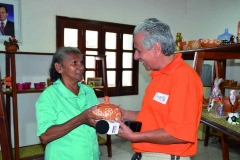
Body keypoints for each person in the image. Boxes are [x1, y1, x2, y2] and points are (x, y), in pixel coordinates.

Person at [116, 18, 203, 160]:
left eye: (139, 51)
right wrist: (124, 113)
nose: (136, 56)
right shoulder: (160, 75)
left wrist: (134, 136)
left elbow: (179, 133)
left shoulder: (183, 78)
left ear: (156, 49)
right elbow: (154, 117)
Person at [35, 47, 104, 160]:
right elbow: (45, 136)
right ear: (59, 67)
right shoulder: (49, 96)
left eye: (81, 63)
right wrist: (81, 119)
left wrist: (109, 115)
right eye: (74, 63)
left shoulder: (88, 91)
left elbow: (96, 119)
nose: (81, 67)